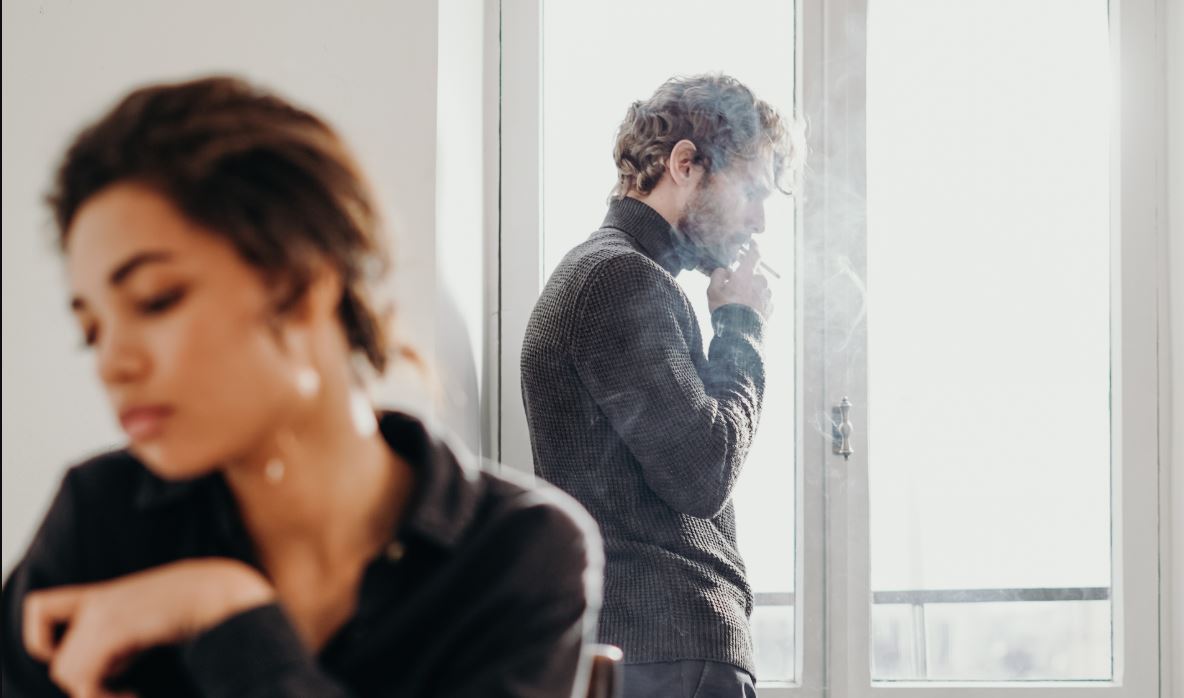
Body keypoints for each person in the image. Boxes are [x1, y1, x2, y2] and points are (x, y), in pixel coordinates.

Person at [2, 75, 602, 698]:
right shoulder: (99, 514)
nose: (111, 365)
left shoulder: (519, 550)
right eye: (91, 331)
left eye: (155, 301)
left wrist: (227, 616)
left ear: (304, 288)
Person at [520, 74, 798, 697]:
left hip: (656, 653)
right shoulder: (620, 280)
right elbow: (703, 472)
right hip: (669, 652)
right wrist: (740, 325)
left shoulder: (615, 276)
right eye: (751, 192)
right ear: (684, 165)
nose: (758, 222)